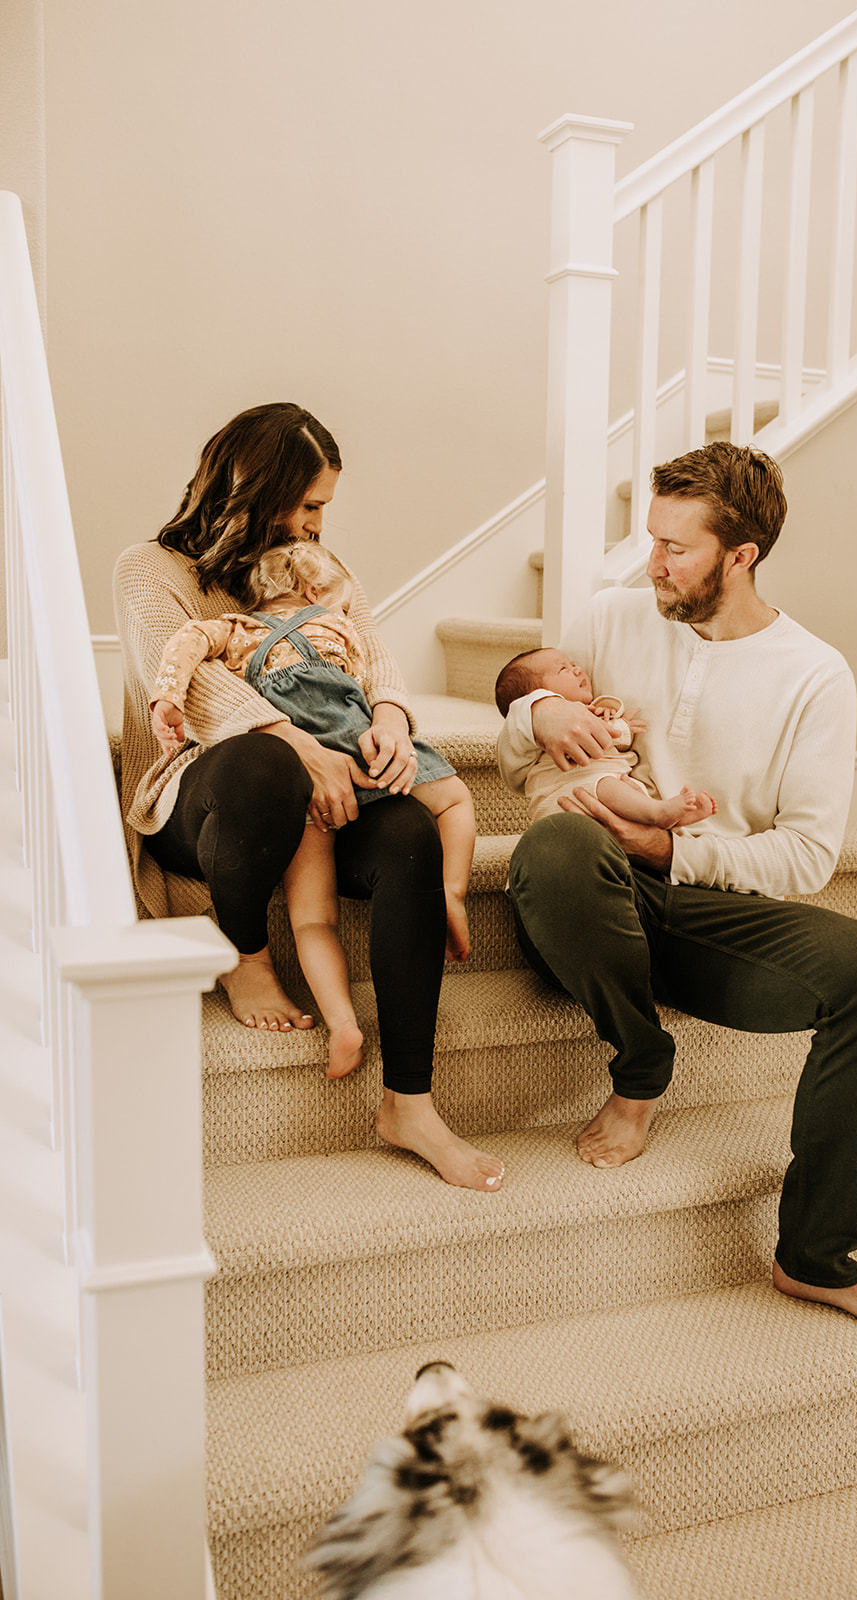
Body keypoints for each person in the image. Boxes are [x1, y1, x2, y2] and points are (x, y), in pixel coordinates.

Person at [497, 441, 857, 1341]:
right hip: (581, 892)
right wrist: (533, 711)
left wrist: (670, 848)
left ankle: (813, 1257)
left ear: (741, 556)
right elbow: (514, 753)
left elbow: (805, 858)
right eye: (649, 538)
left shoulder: (814, 674)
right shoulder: (610, 618)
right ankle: (637, 1068)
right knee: (557, 846)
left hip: (700, 906)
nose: (651, 562)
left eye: (676, 548)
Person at [114, 401, 503, 1191]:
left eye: (323, 506)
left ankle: (410, 1102)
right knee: (268, 769)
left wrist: (390, 719)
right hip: (206, 788)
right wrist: (295, 744)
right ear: (249, 491)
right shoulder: (150, 568)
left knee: (407, 837)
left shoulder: (312, 564)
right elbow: (190, 686)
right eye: (308, 504)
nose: (318, 523)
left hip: (328, 786)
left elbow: (371, 652)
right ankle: (245, 954)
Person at [150, 538, 477, 1081]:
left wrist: (169, 696)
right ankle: (454, 891)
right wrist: (388, 718)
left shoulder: (234, 629)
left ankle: (342, 1021)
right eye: (344, 603)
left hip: (306, 784)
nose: (347, 612)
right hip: (365, 752)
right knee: (455, 800)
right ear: (316, 591)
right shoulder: (340, 627)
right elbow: (376, 676)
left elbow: (186, 642)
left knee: (312, 920)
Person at [494, 647, 716, 831]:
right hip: (567, 794)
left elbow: (612, 740)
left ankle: (667, 821)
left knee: (630, 789)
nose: (577, 669)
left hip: (608, 782)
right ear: (537, 694)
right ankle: (658, 813)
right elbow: (515, 747)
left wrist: (620, 725)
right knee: (605, 786)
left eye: (572, 664)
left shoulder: (596, 710)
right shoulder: (537, 732)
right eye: (564, 669)